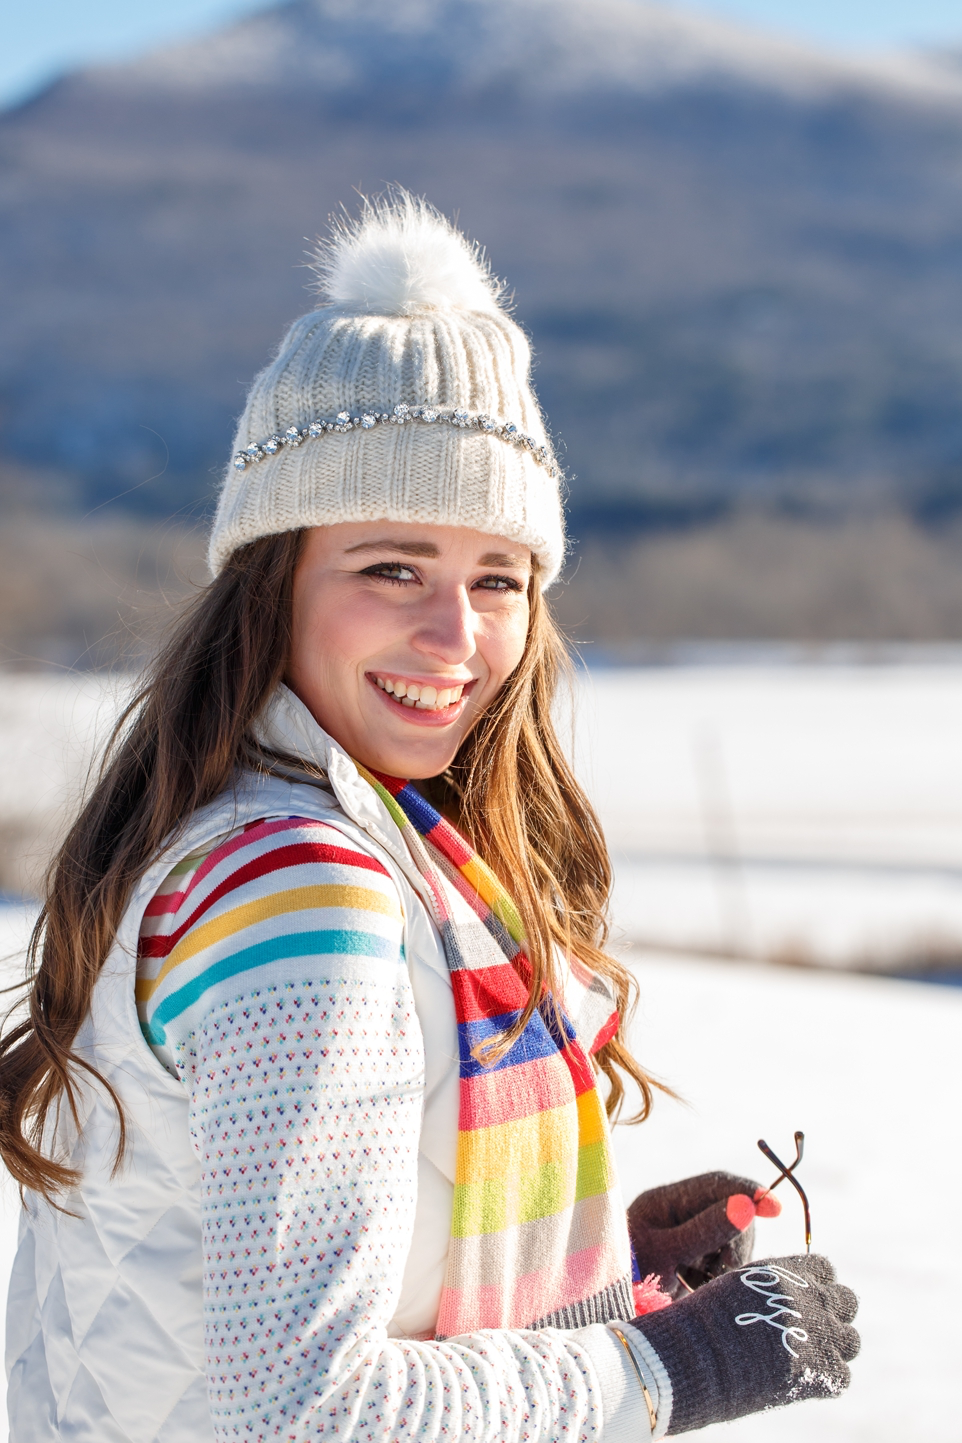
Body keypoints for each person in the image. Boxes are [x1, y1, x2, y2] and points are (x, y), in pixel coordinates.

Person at [0, 191, 858, 1442]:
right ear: (272, 581)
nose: (455, 637)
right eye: (390, 567)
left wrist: (587, 1267)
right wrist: (669, 1368)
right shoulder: (302, 892)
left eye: (495, 579)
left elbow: (238, 1286)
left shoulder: (265, 834)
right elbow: (303, 1410)